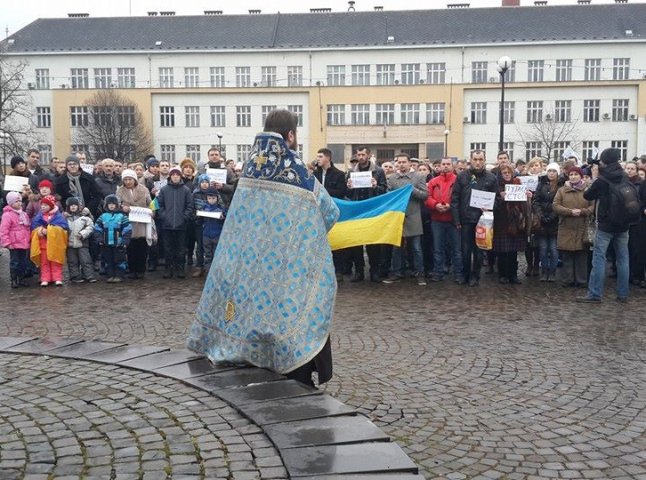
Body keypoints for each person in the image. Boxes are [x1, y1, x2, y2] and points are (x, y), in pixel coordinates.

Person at [187, 109, 339, 388]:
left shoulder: (250, 167)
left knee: (249, 306)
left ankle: (247, 354)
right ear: (290, 135)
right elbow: (329, 212)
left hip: (246, 261)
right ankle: (291, 367)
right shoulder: (296, 171)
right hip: (285, 262)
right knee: (285, 310)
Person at [577, 148, 633, 302]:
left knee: (599, 258)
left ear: (604, 160)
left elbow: (587, 195)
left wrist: (595, 177)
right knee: (623, 259)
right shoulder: (624, 176)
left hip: (606, 225)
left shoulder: (602, 179)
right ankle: (623, 294)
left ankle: (595, 294)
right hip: (623, 225)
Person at [450, 149, 498, 287]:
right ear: (470, 160)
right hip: (465, 220)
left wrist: (489, 206)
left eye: (480, 159)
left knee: (479, 251)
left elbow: (496, 200)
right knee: (465, 251)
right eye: (475, 159)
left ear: (484, 160)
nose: (478, 162)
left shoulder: (491, 178)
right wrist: (456, 220)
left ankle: (475, 276)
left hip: (482, 220)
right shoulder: (462, 176)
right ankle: (464, 275)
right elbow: (455, 199)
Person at [382, 153, 428, 285]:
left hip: (413, 216)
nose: (401, 164)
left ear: (409, 163)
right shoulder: (392, 178)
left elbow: (425, 195)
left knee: (416, 248)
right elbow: (388, 195)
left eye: (404, 162)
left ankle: (420, 273)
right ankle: (397, 272)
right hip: (398, 217)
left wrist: (412, 190)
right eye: (399, 162)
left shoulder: (418, 176)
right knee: (397, 247)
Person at [345, 146, 387, 282]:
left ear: (369, 155)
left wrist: (376, 186)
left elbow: (384, 190)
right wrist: (349, 187)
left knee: (373, 243)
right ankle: (359, 271)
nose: (361, 157)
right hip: (357, 210)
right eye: (359, 155)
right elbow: (348, 194)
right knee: (356, 243)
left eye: (363, 154)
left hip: (372, 210)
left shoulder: (379, 171)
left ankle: (374, 271)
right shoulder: (351, 171)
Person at [552, 167, 594, 288]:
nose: (573, 176)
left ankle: (581, 280)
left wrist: (582, 211)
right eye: (571, 174)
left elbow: (593, 206)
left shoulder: (588, 190)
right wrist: (569, 212)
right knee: (567, 255)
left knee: (582, 254)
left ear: (580, 176)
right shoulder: (562, 190)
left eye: (576, 174)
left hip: (583, 225)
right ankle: (568, 279)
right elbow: (555, 205)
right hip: (566, 225)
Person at [312, 148, 347, 281]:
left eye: (320, 156)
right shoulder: (315, 175)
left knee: (336, 241)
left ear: (328, 158)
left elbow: (341, 192)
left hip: (333, 212)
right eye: (317, 156)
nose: (318, 159)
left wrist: (322, 191)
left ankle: (338, 271)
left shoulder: (338, 174)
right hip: (318, 213)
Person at [426, 156, 463, 283]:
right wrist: (435, 205)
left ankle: (458, 273)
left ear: (452, 166)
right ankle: (438, 272)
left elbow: (463, 197)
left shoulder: (459, 180)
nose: (446, 166)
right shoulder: (433, 181)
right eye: (444, 164)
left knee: (457, 249)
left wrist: (450, 206)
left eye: (448, 164)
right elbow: (427, 197)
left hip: (453, 219)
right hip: (437, 219)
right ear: (440, 166)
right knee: (438, 248)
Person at [493, 165, 529, 284]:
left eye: (509, 172)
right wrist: (499, 197)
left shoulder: (518, 185)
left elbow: (524, 206)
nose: (507, 174)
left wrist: (528, 196)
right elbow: (493, 204)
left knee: (513, 252)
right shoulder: (497, 187)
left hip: (516, 223)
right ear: (500, 174)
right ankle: (502, 275)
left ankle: (513, 275)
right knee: (503, 252)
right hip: (501, 223)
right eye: (504, 172)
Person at [156, 165, 193, 279]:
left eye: (177, 175)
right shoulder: (164, 190)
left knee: (181, 248)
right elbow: (159, 205)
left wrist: (184, 217)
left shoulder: (186, 190)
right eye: (173, 175)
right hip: (167, 225)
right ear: (170, 177)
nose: (175, 177)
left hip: (181, 225)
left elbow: (189, 206)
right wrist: (164, 216)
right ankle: (168, 268)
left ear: (180, 176)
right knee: (168, 248)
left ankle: (180, 268)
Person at [116, 169, 153, 279]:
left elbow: (151, 203)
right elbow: (116, 204)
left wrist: (153, 212)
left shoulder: (144, 189)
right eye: (126, 179)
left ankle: (141, 270)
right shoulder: (120, 191)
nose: (128, 181)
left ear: (135, 179)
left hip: (142, 221)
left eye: (130, 179)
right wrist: (123, 208)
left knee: (142, 247)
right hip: (128, 222)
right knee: (130, 247)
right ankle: (132, 270)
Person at [532, 163, 562, 282]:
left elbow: (561, 203)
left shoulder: (561, 186)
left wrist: (552, 216)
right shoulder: (541, 184)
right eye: (549, 171)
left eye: (554, 171)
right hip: (542, 222)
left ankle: (553, 272)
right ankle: (544, 271)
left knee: (554, 250)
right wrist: (541, 216)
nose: (551, 173)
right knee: (543, 249)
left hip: (555, 222)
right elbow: (536, 201)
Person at [31, 194, 69, 287]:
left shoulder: (59, 217)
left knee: (56, 260)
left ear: (51, 206)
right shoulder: (39, 216)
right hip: (43, 244)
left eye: (45, 205)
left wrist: (49, 231)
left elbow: (63, 228)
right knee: (44, 262)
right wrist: (39, 230)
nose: (43, 207)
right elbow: (34, 227)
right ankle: (45, 278)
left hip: (55, 244)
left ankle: (57, 278)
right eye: (42, 205)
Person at [94, 194, 132, 283]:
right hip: (106, 243)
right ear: (106, 205)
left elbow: (127, 229)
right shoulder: (102, 216)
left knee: (119, 259)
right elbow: (97, 228)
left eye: (113, 204)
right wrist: (99, 239)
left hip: (118, 243)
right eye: (109, 204)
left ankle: (119, 275)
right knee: (108, 260)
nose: (111, 206)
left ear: (117, 205)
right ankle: (110, 275)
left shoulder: (122, 217)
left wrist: (125, 241)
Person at [0, 191, 32, 288]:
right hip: (13, 243)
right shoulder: (7, 215)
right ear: (10, 203)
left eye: (20, 201)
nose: (19, 203)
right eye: (16, 201)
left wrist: (29, 239)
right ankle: (14, 280)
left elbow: (27, 227)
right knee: (14, 262)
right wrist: (6, 242)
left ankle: (21, 278)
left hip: (23, 242)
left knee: (23, 262)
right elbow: (3, 230)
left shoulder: (24, 214)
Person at [64, 197, 96, 283]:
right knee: (72, 261)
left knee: (86, 260)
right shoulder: (65, 219)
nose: (73, 207)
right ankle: (75, 276)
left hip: (82, 243)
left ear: (79, 206)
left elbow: (90, 227)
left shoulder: (85, 218)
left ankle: (89, 276)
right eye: (71, 206)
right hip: (69, 244)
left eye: (75, 205)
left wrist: (82, 234)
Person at [198, 187, 226, 275]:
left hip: (217, 235)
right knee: (207, 254)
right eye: (209, 198)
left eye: (213, 198)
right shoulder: (203, 208)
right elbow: (199, 221)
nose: (211, 200)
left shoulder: (220, 208)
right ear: (206, 198)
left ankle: (216, 272)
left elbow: (225, 219)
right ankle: (208, 272)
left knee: (216, 254)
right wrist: (199, 215)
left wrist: (222, 218)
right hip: (206, 235)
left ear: (217, 198)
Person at [190, 174, 213, 278]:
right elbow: (191, 207)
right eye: (202, 182)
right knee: (199, 246)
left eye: (206, 182)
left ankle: (210, 267)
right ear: (199, 183)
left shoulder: (213, 193)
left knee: (210, 246)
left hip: (210, 222)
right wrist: (195, 216)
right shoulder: (195, 194)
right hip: (198, 223)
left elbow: (219, 205)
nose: (204, 184)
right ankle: (200, 266)